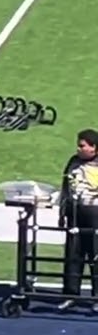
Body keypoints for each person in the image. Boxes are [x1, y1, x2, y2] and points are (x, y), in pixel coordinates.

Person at [59, 129, 98, 308]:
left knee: (96, 255)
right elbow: (65, 187)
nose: (78, 148)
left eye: (83, 145)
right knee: (73, 255)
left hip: (95, 214)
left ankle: (97, 297)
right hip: (75, 213)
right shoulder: (73, 162)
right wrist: (62, 213)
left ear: (94, 148)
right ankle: (70, 294)